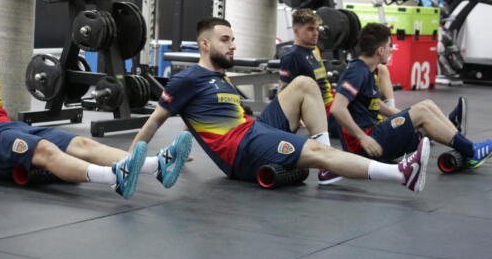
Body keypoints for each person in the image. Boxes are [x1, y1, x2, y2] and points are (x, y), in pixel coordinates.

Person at [0, 7, 191, 199]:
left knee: (81, 143)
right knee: (46, 150)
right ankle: (115, 177)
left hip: (6, 128)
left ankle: (156, 166)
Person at [130, 16, 430, 193]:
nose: (233, 45)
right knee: (318, 153)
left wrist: (187, 146)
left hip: (252, 131)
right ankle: (401, 174)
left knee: (304, 84)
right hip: (242, 152)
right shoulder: (187, 79)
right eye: (225, 40)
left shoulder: (221, 77)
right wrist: (131, 159)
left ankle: (326, 162)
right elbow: (156, 120)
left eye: (232, 39)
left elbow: (200, 119)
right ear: (205, 44)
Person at [330, 22, 492, 168]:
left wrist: (407, 117)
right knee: (421, 112)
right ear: (380, 51)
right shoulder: (356, 72)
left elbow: (376, 105)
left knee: (426, 105)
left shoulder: (368, 71)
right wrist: (363, 138)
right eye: (390, 46)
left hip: (375, 135)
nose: (392, 49)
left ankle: (464, 143)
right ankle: (472, 151)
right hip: (365, 147)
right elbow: (337, 109)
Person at [278, 8, 396, 184]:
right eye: (310, 29)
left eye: (317, 29)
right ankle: (329, 165)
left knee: (381, 72)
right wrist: (296, 116)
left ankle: (397, 118)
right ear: (296, 30)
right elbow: (283, 90)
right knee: (365, 111)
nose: (316, 33)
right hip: (323, 112)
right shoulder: (291, 56)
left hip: (331, 101)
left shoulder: (314, 51)